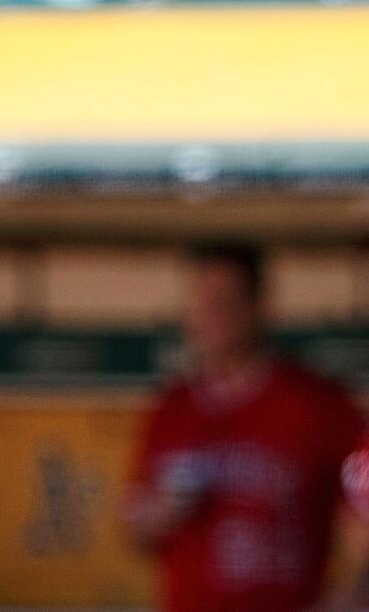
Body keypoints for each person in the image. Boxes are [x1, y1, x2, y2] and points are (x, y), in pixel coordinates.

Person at [124, 244, 367, 612]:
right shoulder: (172, 409)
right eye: (203, 302)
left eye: (226, 301)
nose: (213, 316)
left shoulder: (319, 404)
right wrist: (153, 515)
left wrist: (354, 595)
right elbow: (134, 521)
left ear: (260, 306)